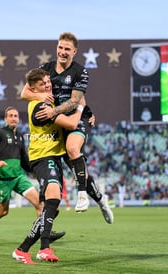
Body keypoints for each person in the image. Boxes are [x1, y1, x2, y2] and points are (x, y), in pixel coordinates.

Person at [20, 33, 114, 224]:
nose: (62, 52)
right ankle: (101, 200)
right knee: (78, 169)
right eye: (60, 47)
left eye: (67, 49)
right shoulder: (45, 68)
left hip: (76, 117)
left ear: (75, 51)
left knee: (73, 149)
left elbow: (74, 101)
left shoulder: (81, 71)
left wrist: (53, 110)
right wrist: (39, 98)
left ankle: (82, 195)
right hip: (57, 123)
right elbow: (24, 92)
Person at [12, 68, 86, 264]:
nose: (47, 84)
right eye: (42, 83)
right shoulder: (40, 107)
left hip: (52, 156)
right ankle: (44, 248)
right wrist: (80, 107)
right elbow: (70, 124)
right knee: (53, 199)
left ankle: (23, 249)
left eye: (47, 81)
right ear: (34, 88)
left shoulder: (45, 99)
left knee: (52, 207)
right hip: (43, 157)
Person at [0, 106, 65, 245]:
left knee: (40, 204)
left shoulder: (19, 136)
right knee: (3, 211)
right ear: (6, 118)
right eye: (11, 116)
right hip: (2, 179)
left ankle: (46, 233)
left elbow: (24, 159)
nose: (13, 118)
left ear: (18, 119)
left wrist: (35, 171)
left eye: (16, 116)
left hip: (18, 177)